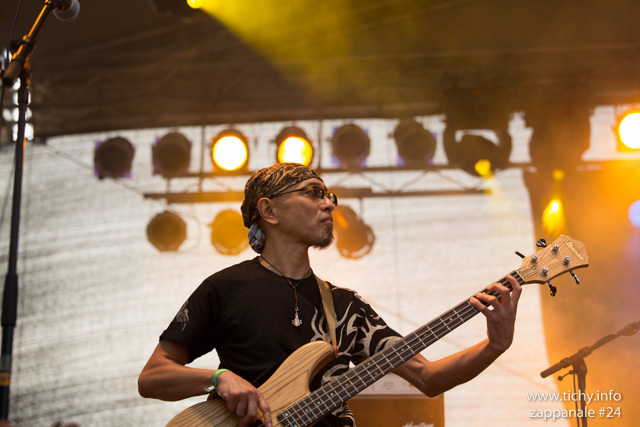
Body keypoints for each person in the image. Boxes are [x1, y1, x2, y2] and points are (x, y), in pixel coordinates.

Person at [138, 163, 521, 427]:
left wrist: (494, 346)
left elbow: (427, 377)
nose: (330, 203)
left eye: (328, 194)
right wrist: (218, 378)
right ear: (269, 210)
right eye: (313, 193)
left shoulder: (345, 308)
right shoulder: (225, 288)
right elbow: (154, 376)